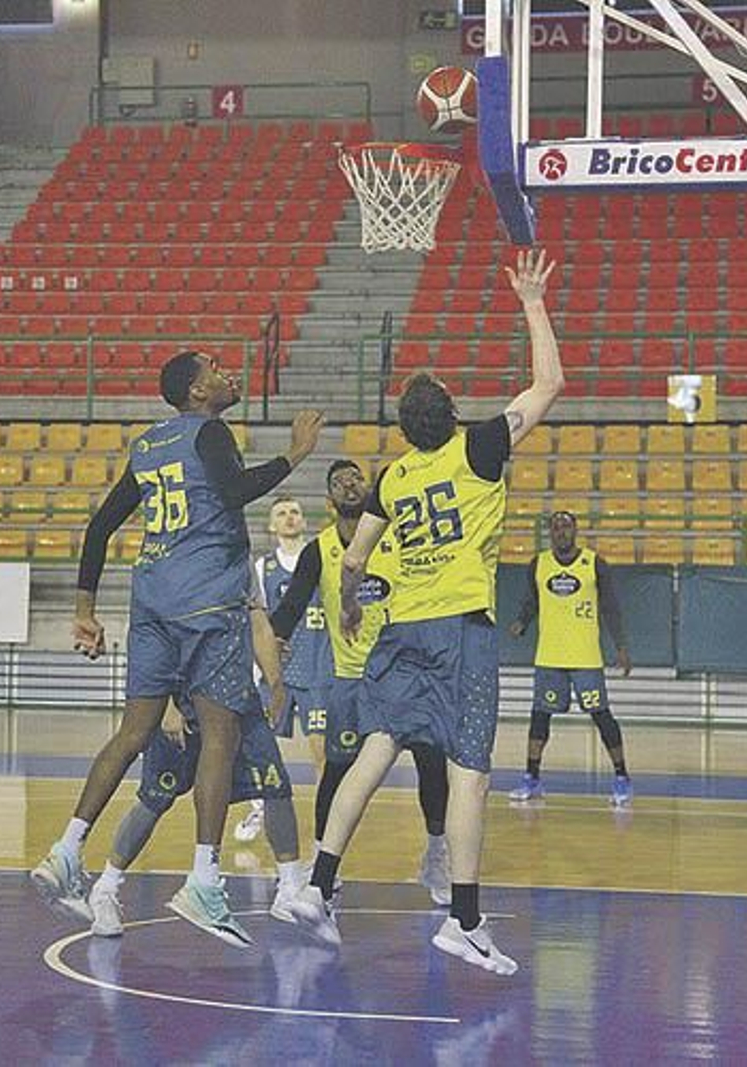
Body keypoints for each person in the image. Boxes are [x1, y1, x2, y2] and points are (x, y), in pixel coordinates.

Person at [288, 249, 564, 977]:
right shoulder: (479, 448)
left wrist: (352, 605)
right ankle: (464, 920)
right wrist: (532, 300)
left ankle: (319, 884)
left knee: (376, 750)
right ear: (452, 413)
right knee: (470, 774)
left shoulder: (392, 477)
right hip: (459, 632)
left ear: (408, 428)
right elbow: (549, 384)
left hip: (399, 629)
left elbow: (352, 560)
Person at [30, 349, 323, 943]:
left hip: (152, 603)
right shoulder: (209, 432)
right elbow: (237, 490)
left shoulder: (147, 445)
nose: (228, 372)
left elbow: (99, 527)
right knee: (222, 734)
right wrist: (296, 452)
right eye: (214, 368)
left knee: (131, 733)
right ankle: (203, 880)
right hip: (206, 602)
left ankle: (68, 848)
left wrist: (84, 611)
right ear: (196, 393)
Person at [269, 459, 452, 905]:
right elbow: (291, 605)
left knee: (431, 765)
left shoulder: (397, 537)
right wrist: (271, 639)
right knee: (335, 773)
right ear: (330, 502)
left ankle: (436, 852)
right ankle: (324, 863)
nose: (349, 483)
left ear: (370, 491)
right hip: (350, 680)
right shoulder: (319, 550)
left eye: (355, 477)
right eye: (338, 482)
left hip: (407, 674)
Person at [88, 581, 307, 945]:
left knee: (275, 784)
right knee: (155, 798)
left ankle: (290, 887)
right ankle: (106, 888)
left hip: (236, 696)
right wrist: (167, 705)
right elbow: (148, 643)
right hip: (180, 698)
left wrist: (275, 682)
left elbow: (257, 623)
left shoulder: (237, 563)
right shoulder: (168, 567)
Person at [506, 510, 634, 807]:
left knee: (601, 716)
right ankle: (531, 777)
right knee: (539, 717)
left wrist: (621, 646)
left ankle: (622, 778)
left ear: (575, 531)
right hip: (549, 655)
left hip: (586, 656)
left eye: (566, 526)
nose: (561, 531)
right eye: (556, 527)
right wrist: (522, 621)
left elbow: (611, 607)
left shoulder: (594, 563)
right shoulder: (539, 564)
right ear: (550, 533)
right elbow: (532, 601)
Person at [234, 495, 331, 843]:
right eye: (282, 514)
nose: (290, 518)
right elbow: (255, 620)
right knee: (258, 748)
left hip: (318, 670)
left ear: (304, 521)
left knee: (322, 756)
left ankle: (324, 833)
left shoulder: (321, 558)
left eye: (295, 512)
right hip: (276, 673)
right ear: (271, 526)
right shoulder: (262, 568)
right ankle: (259, 807)